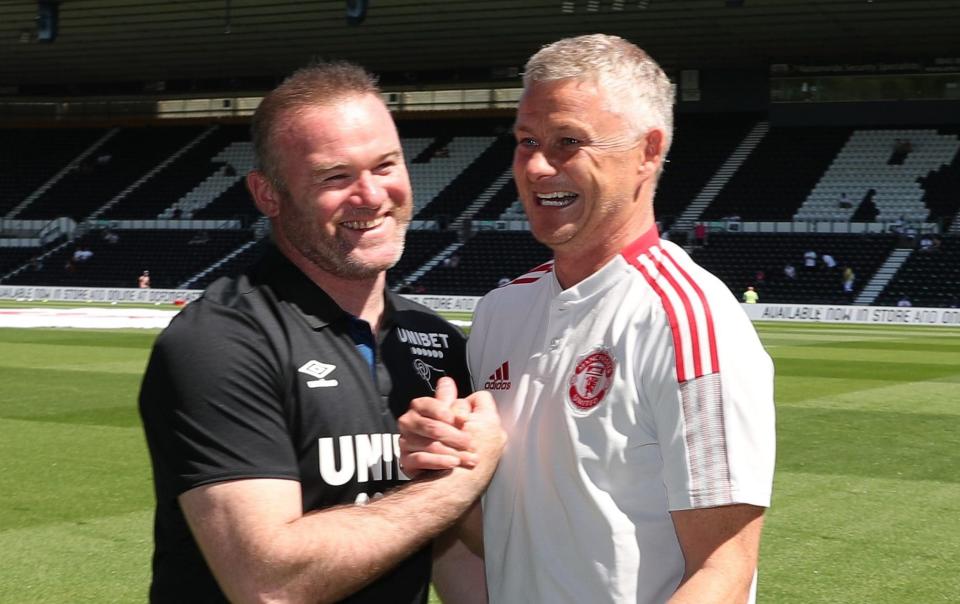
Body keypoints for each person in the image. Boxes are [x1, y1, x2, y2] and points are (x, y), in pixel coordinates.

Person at [399, 34, 775, 604]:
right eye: (527, 140)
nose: (537, 166)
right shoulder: (502, 312)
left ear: (649, 151)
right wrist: (443, 472)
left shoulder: (687, 320)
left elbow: (723, 569)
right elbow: (503, 538)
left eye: (568, 142)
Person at [138, 61, 505, 604]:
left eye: (386, 165)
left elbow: (457, 559)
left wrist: (473, 464)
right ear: (268, 194)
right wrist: (455, 485)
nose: (371, 195)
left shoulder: (438, 342)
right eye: (335, 176)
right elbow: (270, 584)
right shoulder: (219, 342)